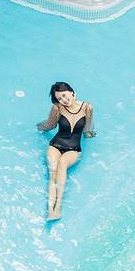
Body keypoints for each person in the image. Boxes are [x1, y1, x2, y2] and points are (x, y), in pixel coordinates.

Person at [37, 82, 96, 221]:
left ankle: (57, 209)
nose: (63, 100)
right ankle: (50, 211)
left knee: (62, 163)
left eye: (64, 95)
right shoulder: (57, 108)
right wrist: (40, 127)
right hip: (55, 145)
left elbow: (87, 127)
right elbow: (50, 125)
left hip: (73, 149)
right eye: (59, 98)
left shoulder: (87, 107)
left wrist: (89, 134)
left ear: (72, 92)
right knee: (53, 171)